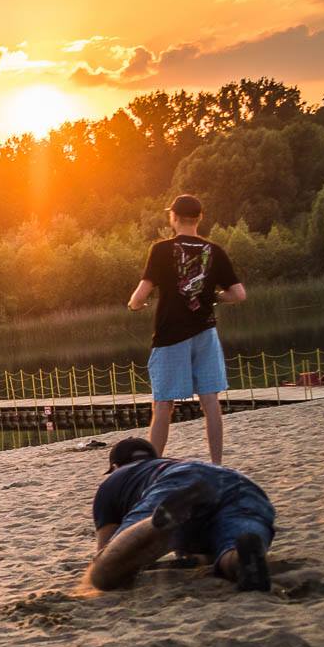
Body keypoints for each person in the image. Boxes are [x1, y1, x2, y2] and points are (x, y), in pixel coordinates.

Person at [128, 194, 245, 465]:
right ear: (199, 218)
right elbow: (239, 294)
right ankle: (217, 464)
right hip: (206, 333)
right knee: (210, 401)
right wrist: (214, 298)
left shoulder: (161, 250)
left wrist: (135, 305)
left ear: (173, 218)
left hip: (170, 336)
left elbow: (140, 295)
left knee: (163, 405)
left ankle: (152, 468)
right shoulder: (214, 251)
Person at [86, 437, 271, 592]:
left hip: (176, 483)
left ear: (115, 466)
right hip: (242, 485)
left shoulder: (115, 480)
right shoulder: (169, 463)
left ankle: (158, 521)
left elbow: (106, 551)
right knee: (227, 550)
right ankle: (238, 560)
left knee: (102, 575)